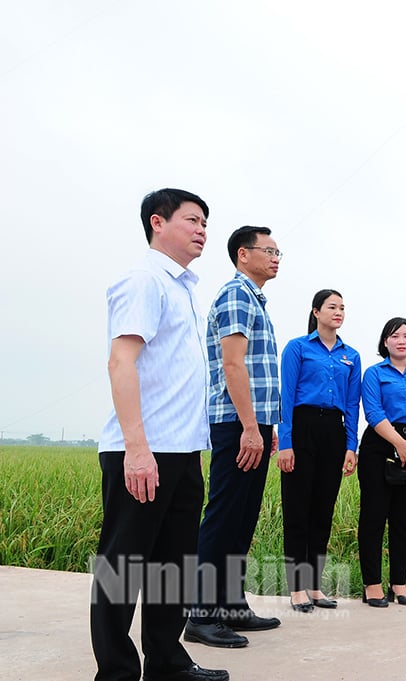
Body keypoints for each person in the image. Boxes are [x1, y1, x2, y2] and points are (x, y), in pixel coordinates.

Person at [92, 189, 228, 681]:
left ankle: (167, 662)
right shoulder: (145, 280)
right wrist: (136, 449)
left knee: (172, 566)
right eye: (192, 220)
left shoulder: (182, 287)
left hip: (182, 450)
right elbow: (120, 360)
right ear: (157, 222)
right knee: (123, 568)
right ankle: (116, 672)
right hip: (145, 451)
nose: (202, 230)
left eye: (206, 223)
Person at [186, 226, 283, 648]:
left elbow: (259, 372)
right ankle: (202, 615)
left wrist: (266, 427)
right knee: (224, 515)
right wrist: (248, 426)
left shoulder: (255, 298)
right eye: (270, 250)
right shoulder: (236, 295)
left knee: (242, 517)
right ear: (243, 254)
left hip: (253, 424)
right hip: (234, 423)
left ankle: (231, 605)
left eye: (279, 251)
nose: (277, 257)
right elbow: (233, 365)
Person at [276, 289, 360, 612]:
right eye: (332, 307)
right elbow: (287, 396)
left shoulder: (350, 355)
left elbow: (352, 404)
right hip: (303, 426)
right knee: (297, 510)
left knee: (322, 512)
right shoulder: (298, 348)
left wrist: (351, 445)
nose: (338, 312)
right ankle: (296, 588)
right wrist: (286, 442)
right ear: (316, 312)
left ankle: (314, 586)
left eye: (342, 307)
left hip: (333, 432)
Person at [357, 317, 406, 608]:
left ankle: (399, 583)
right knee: (374, 517)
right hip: (380, 447)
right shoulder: (375, 374)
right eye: (394, 336)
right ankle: (372, 585)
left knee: (403, 520)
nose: (401, 340)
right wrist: (399, 444)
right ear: (385, 342)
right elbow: (374, 413)